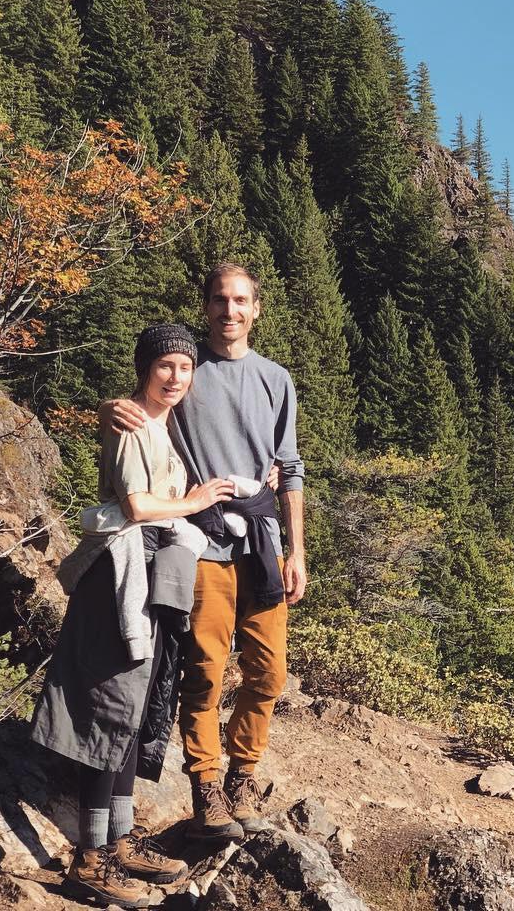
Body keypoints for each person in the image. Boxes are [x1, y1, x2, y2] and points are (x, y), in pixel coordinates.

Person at [32, 325, 235, 909]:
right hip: (120, 576)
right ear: (145, 367)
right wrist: (195, 502)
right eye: (165, 365)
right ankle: (90, 859)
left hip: (150, 576)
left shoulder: (164, 424)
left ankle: (117, 843)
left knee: (136, 708)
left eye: (185, 367)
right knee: (113, 705)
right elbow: (138, 505)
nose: (175, 377)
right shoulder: (130, 423)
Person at [103, 263, 306, 841]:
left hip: (262, 543)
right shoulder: (189, 371)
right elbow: (146, 402)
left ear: (256, 309)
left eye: (240, 301)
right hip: (203, 543)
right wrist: (109, 409)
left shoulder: (276, 379)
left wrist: (297, 552)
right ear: (207, 306)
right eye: (220, 300)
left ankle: (244, 776)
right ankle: (206, 787)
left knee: (269, 672)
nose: (229, 311)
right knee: (205, 671)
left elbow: (290, 468)